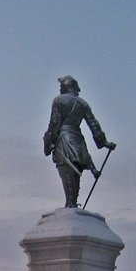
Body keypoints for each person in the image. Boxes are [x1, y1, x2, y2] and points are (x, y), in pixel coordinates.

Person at [43, 75, 116, 208]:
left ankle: (70, 202)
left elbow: (54, 123)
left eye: (62, 86)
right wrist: (103, 142)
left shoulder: (58, 100)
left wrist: (48, 142)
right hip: (78, 138)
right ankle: (73, 202)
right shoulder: (83, 104)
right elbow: (93, 124)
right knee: (76, 168)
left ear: (67, 86)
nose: (60, 88)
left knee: (66, 168)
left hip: (64, 138)